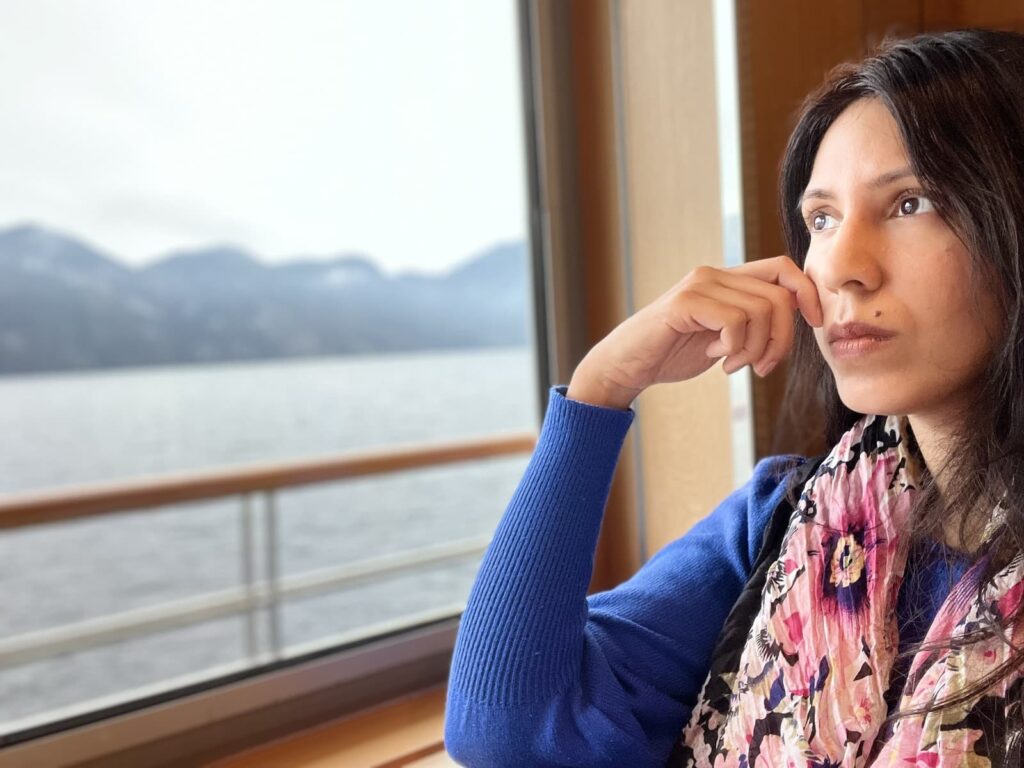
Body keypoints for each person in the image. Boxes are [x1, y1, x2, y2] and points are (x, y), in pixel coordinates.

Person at [444, 28, 1024, 767]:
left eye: (911, 203)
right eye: (821, 220)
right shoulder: (787, 523)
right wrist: (601, 389)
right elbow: (506, 728)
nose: (839, 266)